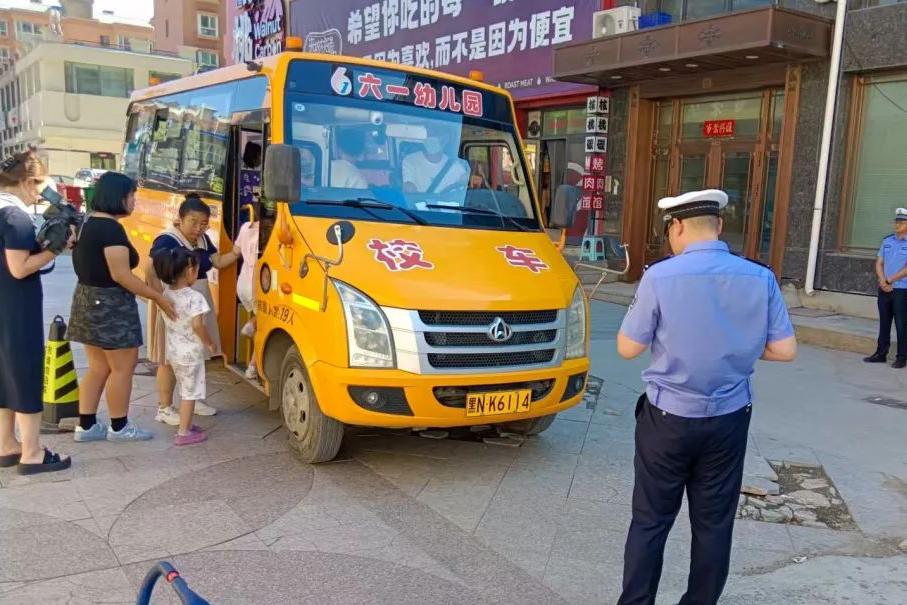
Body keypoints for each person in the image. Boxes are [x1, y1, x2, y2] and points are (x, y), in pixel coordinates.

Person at [615, 189, 797, 605]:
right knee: (714, 524)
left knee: (650, 521)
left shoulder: (660, 276)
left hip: (668, 419)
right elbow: (785, 350)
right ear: (719, 226)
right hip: (729, 418)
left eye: (669, 232)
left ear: (678, 226)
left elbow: (627, 347)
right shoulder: (759, 276)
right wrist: (736, 345)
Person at [68, 172, 176, 443]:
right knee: (122, 368)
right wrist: (158, 297)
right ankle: (119, 427)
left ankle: (86, 426)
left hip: (86, 299)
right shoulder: (111, 230)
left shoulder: (88, 223)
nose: (134, 201)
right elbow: (122, 275)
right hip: (111, 306)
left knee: (98, 367)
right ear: (118, 197)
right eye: (131, 196)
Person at [0, 149, 72, 474]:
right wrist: (55, 249)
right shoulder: (15, 217)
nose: (43, 193)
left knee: (4, 375)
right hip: (17, 308)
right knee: (25, 373)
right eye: (41, 184)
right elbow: (19, 268)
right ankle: (32, 452)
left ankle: (6, 445)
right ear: (28, 182)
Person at [147, 194, 241, 425]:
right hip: (172, 301)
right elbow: (150, 269)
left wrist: (238, 252)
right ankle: (165, 407)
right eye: (193, 222)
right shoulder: (167, 240)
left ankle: (192, 399)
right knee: (168, 357)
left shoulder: (204, 240)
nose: (199, 228)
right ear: (180, 219)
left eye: (204, 223)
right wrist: (160, 299)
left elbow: (217, 262)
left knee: (195, 353)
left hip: (198, 295)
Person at [152, 248, 216, 446]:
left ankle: (185, 423)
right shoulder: (195, 297)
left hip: (174, 351)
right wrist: (209, 342)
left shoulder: (166, 294)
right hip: (190, 353)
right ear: (190, 271)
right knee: (190, 393)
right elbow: (198, 326)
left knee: (184, 388)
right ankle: (184, 432)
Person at [864, 207, 907, 368]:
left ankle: (902, 357)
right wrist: (883, 281)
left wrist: (890, 280)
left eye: (902, 222)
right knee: (884, 322)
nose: (898, 224)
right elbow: (879, 262)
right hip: (884, 288)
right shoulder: (887, 241)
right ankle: (881, 353)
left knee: (901, 324)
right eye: (896, 221)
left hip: (902, 289)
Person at [402, 125, 469, 193]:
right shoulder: (411, 160)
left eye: (436, 134)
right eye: (429, 134)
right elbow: (408, 187)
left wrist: (469, 178)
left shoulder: (455, 166)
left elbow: (465, 182)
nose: (431, 137)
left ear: (445, 140)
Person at [235, 209, 259, 379]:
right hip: (256, 285)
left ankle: (253, 323)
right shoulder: (267, 232)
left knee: (261, 319)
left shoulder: (245, 227)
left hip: (243, 282)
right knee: (265, 325)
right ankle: (252, 367)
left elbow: (235, 252)